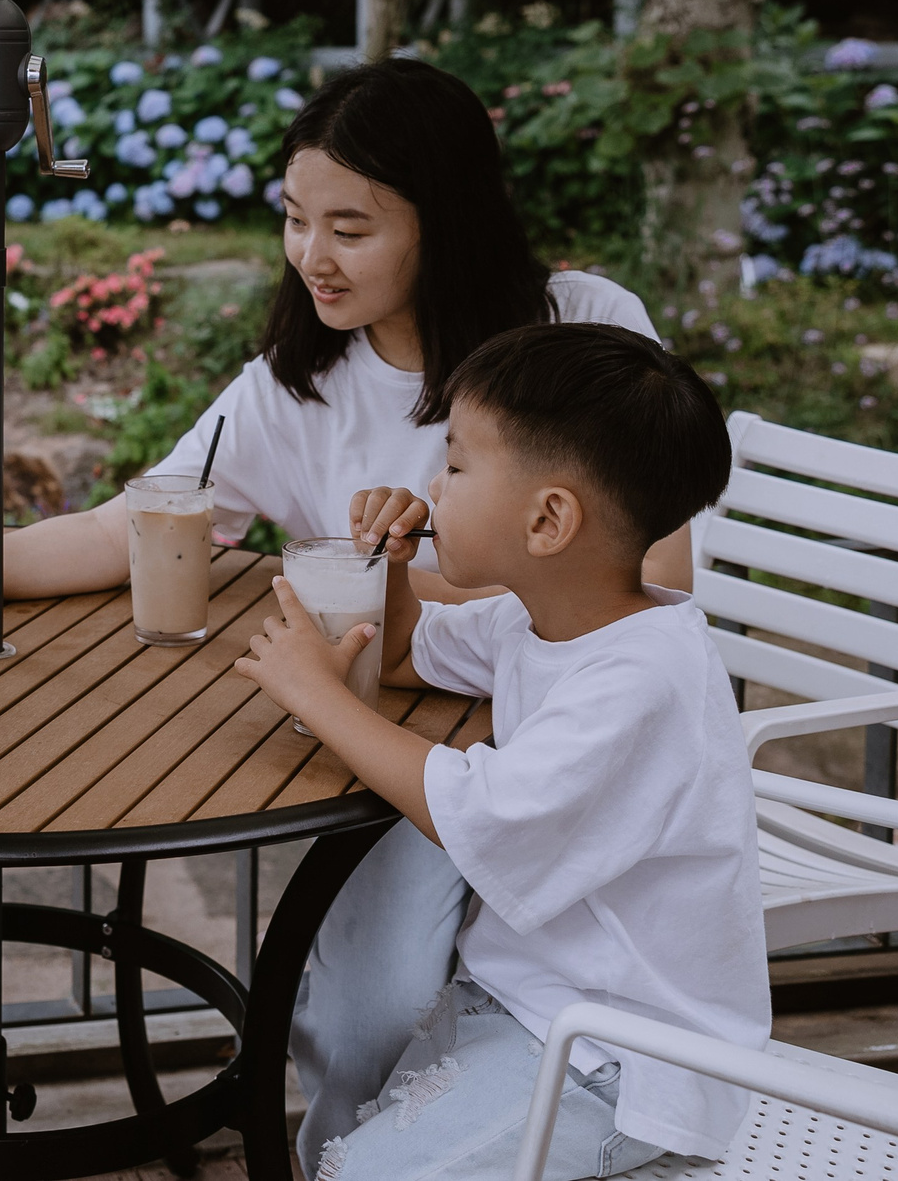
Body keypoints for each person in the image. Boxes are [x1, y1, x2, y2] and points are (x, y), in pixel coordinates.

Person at [0, 57, 695, 1173]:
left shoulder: (581, 333)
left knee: (476, 1001)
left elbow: (659, 566)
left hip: (560, 745)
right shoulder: (293, 388)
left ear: (442, 219)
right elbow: (131, 523)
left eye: (350, 227)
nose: (311, 254)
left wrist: (414, 580)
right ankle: (334, 1156)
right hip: (395, 745)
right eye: (293, 217)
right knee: (364, 1011)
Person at [233, 322, 764, 1179]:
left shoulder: (643, 677)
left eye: (456, 464)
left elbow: (481, 814)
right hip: (524, 1009)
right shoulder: (549, 614)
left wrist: (318, 696)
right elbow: (408, 653)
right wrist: (395, 567)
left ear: (548, 520)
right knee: (354, 1132)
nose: (432, 486)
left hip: (626, 1060)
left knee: (359, 1173)